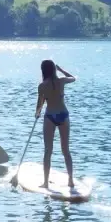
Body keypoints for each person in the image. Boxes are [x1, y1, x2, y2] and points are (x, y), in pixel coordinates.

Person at [35, 59, 76, 188]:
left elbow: (40, 104)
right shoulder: (61, 81)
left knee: (48, 150)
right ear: (53, 70)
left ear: (43, 71)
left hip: (50, 117)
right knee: (66, 150)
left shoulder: (42, 86)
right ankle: (70, 181)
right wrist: (61, 70)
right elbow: (73, 78)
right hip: (63, 115)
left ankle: (46, 182)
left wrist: (37, 113)